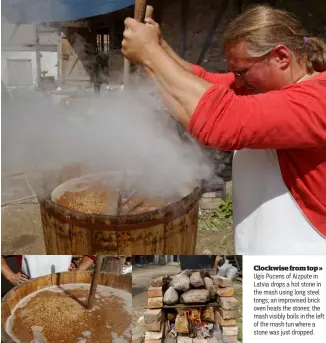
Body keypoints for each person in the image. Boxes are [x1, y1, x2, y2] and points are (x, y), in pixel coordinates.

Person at [121, 5, 326, 254]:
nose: (236, 82)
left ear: (281, 57)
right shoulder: (265, 85)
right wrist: (159, 48)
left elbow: (222, 121)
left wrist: (150, 55)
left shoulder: (318, 98)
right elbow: (203, 81)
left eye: (242, 72)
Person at [1, 255, 96, 285]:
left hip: (64, 283)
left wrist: (78, 271)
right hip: (31, 285)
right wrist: (10, 275)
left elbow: (93, 247)